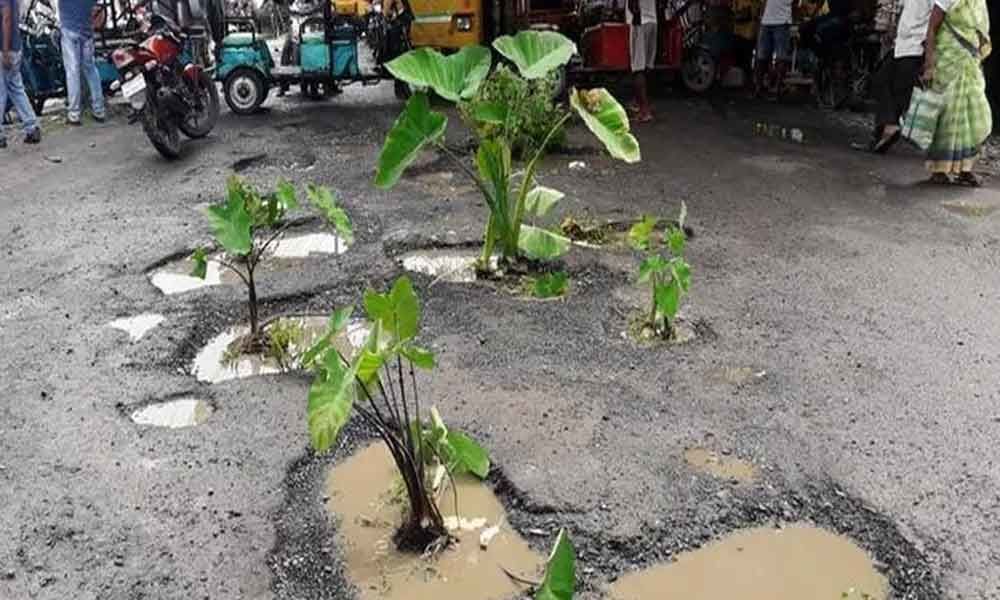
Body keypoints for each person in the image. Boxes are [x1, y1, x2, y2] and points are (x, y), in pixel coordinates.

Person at [922, 0, 991, 185]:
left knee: (973, 116)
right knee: (947, 117)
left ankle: (965, 168)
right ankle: (939, 169)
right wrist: (929, 64)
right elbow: (932, 28)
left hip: (970, 65)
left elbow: (980, 33)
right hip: (947, 63)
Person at [869, 0, 932, 152]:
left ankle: (888, 128)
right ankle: (884, 132)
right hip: (902, 44)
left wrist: (930, 59)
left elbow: (935, 20)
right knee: (883, 81)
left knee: (893, 87)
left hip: (916, 45)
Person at [58, 0, 107, 126]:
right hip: (87, 32)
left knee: (72, 72)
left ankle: (74, 114)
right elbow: (97, 7)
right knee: (91, 69)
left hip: (70, 30)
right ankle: (99, 110)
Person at [0, 0, 41, 148]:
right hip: (15, 47)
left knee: (2, 91)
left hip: (5, 49)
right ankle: (32, 126)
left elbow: (6, 18)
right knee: (16, 88)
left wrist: (5, 51)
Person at [755, 0, 793, 96]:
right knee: (761, 57)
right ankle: (759, 87)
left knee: (781, 57)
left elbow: (796, 4)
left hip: (782, 22)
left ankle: (777, 88)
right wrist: (761, 18)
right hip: (766, 21)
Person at [628, 0, 657, 123]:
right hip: (653, 21)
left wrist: (635, 16)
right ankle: (639, 103)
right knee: (647, 66)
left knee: (638, 68)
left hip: (640, 22)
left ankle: (644, 111)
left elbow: (632, 5)